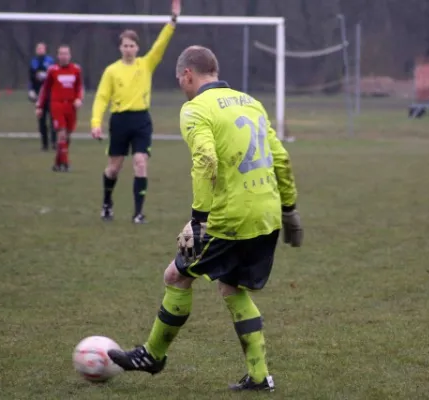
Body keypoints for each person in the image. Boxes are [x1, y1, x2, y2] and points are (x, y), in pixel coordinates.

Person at [107, 45, 304, 392]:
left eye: (180, 80)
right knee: (231, 285)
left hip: (230, 217)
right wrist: (290, 209)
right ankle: (259, 376)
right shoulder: (250, 102)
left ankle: (152, 355)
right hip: (267, 213)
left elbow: (206, 160)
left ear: (188, 75)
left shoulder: (195, 109)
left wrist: (198, 220)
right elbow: (282, 158)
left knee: (176, 276)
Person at [90, 0, 180, 224]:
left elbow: (161, 44)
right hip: (119, 121)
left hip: (141, 120)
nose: (128, 49)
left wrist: (173, 21)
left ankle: (138, 213)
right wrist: (95, 122)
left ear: (137, 48)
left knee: (140, 161)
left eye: (132, 45)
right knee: (114, 168)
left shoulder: (145, 64)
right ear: (120, 47)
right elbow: (102, 97)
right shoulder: (112, 71)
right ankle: (107, 203)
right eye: (125, 45)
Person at [36, 45, 83, 172]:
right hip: (57, 105)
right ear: (58, 56)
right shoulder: (53, 70)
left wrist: (79, 99)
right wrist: (39, 106)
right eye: (61, 54)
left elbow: (79, 87)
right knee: (61, 134)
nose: (63, 56)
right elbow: (45, 89)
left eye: (66, 54)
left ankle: (57, 163)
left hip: (71, 106)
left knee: (67, 136)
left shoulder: (76, 70)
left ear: (70, 55)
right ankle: (65, 163)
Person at [28, 42, 56, 151]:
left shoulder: (50, 61)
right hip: (39, 96)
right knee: (41, 121)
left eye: (42, 48)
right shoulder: (33, 62)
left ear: (45, 49)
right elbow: (31, 78)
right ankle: (44, 145)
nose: (40, 50)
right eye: (38, 48)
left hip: (50, 95)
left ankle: (54, 143)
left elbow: (54, 78)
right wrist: (31, 90)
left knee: (53, 120)